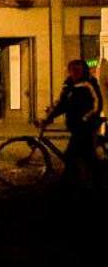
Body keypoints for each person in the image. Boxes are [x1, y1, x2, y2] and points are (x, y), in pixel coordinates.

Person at [41, 59, 103, 188]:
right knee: (86, 156)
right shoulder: (68, 85)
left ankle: (67, 184)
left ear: (84, 70)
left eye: (78, 70)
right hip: (75, 126)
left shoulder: (89, 84)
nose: (75, 73)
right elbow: (62, 104)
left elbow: (97, 105)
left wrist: (86, 118)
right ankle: (86, 181)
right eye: (73, 70)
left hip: (86, 127)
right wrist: (48, 118)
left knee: (72, 154)